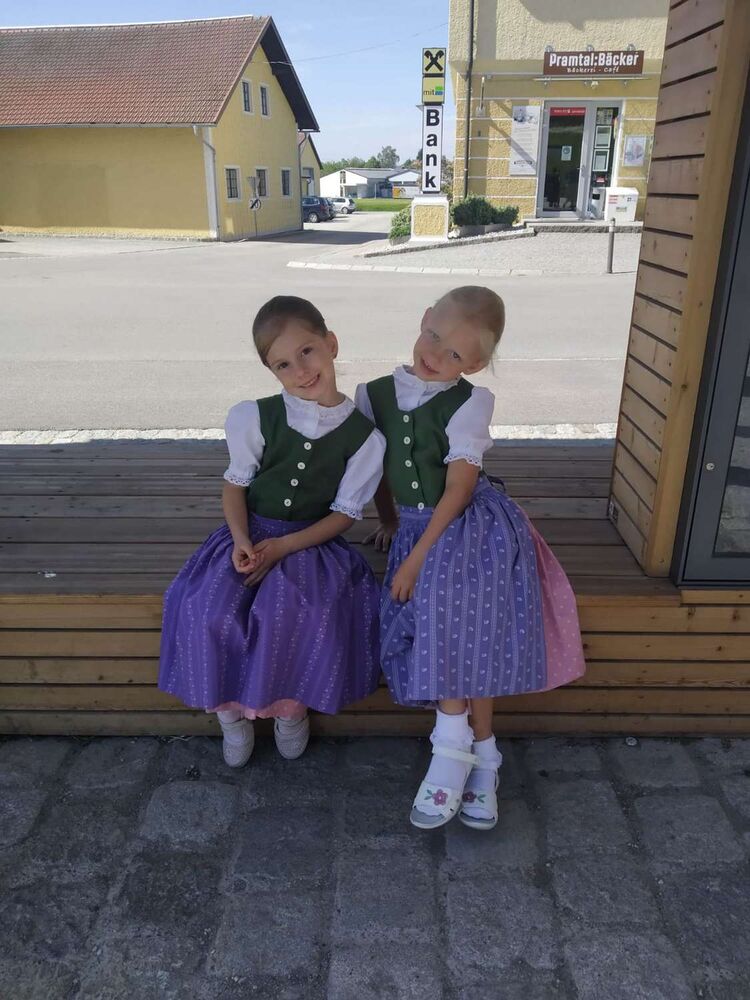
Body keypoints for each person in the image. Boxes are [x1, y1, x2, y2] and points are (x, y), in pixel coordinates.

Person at [356, 286, 585, 830]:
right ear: (423, 318)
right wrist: (388, 521)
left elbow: (458, 490)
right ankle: (485, 758)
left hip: (470, 527)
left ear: (475, 364)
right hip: (417, 526)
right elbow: (377, 470)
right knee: (456, 627)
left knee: (453, 612)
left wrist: (414, 560)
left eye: (455, 353)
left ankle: (449, 751)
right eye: (433, 336)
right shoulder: (374, 394)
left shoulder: (470, 402)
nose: (435, 354)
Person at [159, 296, 385, 767]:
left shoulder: (365, 438)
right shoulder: (255, 417)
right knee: (206, 609)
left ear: (331, 343)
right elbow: (235, 486)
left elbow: (344, 515)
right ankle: (230, 718)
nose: (301, 370)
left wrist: (284, 546)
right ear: (272, 371)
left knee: (306, 613)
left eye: (307, 351)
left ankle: (290, 712)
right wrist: (242, 540)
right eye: (283, 364)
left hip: (309, 542)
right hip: (250, 533)